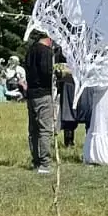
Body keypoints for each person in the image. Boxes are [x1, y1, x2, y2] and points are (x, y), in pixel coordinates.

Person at [24, 32, 56, 174]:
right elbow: (47, 72)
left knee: (34, 130)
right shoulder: (45, 52)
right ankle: (45, 162)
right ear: (48, 39)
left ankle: (36, 160)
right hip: (43, 93)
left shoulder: (30, 51)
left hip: (31, 93)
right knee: (45, 129)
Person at [55, 58, 82, 146]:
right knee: (68, 115)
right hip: (67, 84)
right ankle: (68, 141)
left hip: (79, 84)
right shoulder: (61, 54)